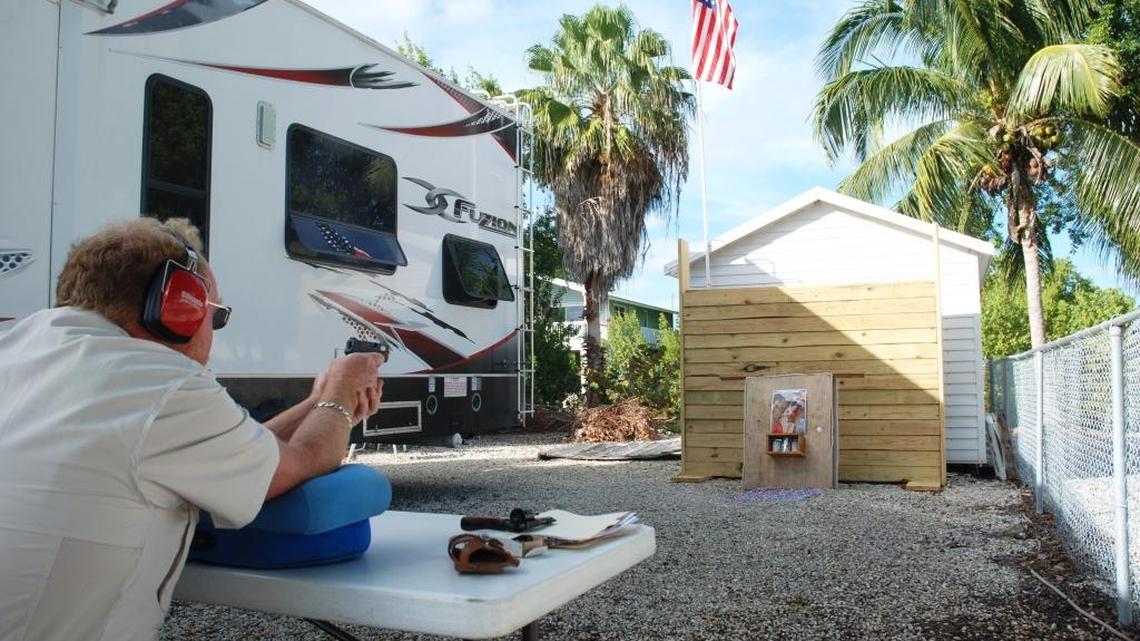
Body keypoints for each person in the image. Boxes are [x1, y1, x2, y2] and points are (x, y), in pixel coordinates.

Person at [0, 218, 384, 641]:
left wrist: (314, 405)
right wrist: (343, 395)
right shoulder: (161, 382)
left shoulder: (19, 349)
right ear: (176, 308)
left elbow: (238, 450)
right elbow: (300, 462)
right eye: (215, 315)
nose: (213, 331)